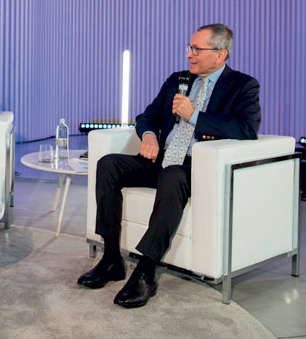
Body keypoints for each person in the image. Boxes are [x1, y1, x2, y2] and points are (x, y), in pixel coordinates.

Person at [77, 23, 261, 308]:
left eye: (197, 49)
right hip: (162, 159)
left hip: (193, 167)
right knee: (109, 164)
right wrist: (149, 135)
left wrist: (195, 115)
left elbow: (247, 129)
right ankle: (111, 258)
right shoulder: (178, 79)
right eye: (190, 48)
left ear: (220, 54)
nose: (190, 55)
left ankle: (146, 271)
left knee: (173, 176)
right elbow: (147, 114)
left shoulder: (243, 85)